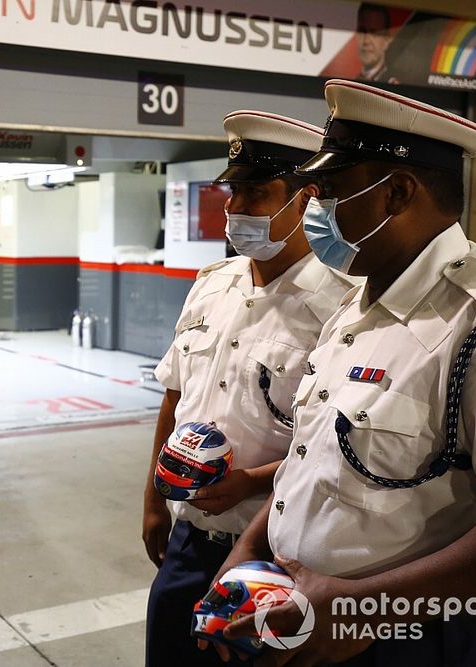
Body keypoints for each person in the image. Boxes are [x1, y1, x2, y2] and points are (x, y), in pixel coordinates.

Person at [217, 79, 476, 666]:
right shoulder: (356, 307)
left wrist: (363, 608)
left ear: (398, 193)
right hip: (307, 619)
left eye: (329, 189)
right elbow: (314, 461)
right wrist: (249, 554)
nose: (312, 208)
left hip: (411, 640)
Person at [142, 111, 356, 667]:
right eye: (232, 193)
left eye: (256, 193)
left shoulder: (341, 306)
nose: (234, 210)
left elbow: (336, 444)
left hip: (274, 551)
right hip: (188, 541)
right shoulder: (213, 285)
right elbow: (175, 395)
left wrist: (249, 484)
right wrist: (152, 501)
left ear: (307, 198)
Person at [356, 3, 398, 84]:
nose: (366, 41)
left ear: (387, 40)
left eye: (374, 33)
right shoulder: (352, 81)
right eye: (362, 31)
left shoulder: (395, 85)